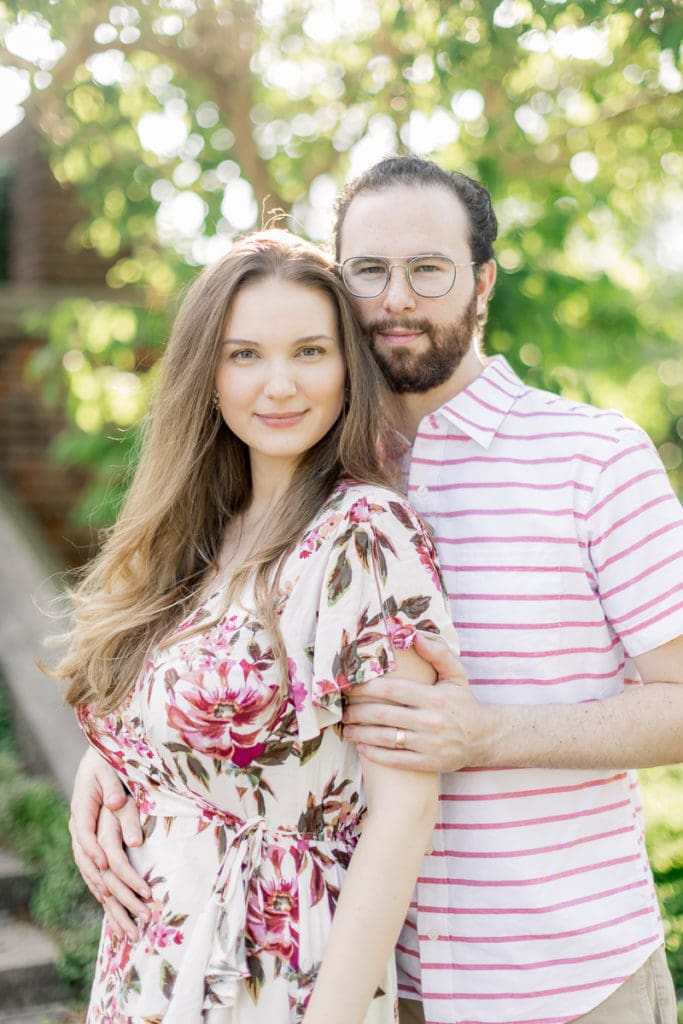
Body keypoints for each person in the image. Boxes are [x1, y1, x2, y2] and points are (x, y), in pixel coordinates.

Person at [69, 159, 683, 1024]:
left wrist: (491, 735)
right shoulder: (297, 484)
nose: (396, 297)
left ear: (483, 283)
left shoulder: (590, 459)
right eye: (368, 270)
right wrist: (128, 758)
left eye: (428, 268)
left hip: (560, 982)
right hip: (349, 977)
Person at [53, 228, 461, 1024]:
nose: (278, 385)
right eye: (244, 355)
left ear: (349, 367)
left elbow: (404, 811)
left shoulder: (364, 534)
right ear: (205, 373)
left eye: (309, 351)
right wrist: (107, 769)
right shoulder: (198, 532)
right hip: (152, 971)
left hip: (273, 977)